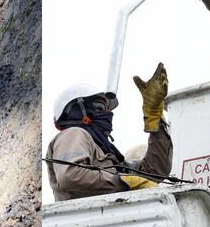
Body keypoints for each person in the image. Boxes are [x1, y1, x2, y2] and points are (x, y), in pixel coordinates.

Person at [46, 63, 173, 201]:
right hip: (86, 214)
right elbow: (71, 175)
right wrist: (123, 182)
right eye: (100, 107)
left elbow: (154, 172)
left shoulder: (106, 153)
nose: (107, 114)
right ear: (77, 110)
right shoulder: (73, 134)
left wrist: (155, 118)